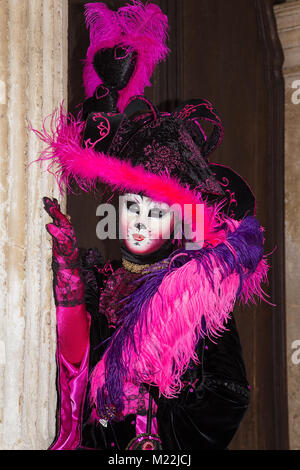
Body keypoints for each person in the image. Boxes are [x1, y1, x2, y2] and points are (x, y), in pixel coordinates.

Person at [33, 1, 271, 451]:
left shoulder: (196, 292)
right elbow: (72, 370)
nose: (139, 223)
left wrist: (154, 423)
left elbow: (229, 396)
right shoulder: (102, 281)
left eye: (155, 212)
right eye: (133, 209)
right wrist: (67, 280)